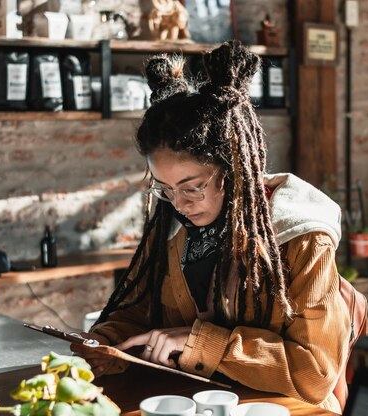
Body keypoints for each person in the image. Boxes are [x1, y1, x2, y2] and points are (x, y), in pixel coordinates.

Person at [71, 40, 351, 412]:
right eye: (164, 189)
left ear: (231, 167)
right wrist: (108, 343)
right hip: (189, 399)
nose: (180, 204)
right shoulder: (171, 226)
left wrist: (201, 344)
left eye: (192, 187)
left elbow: (315, 373)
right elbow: (139, 310)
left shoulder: (301, 238)